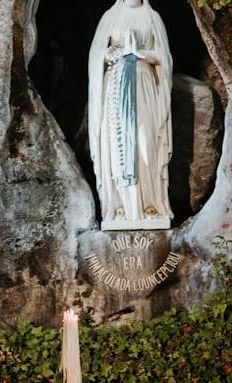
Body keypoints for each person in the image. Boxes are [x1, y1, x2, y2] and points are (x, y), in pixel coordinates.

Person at [88, 0, 174, 230]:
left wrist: (140, 53)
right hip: (116, 87)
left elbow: (163, 57)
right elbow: (97, 55)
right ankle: (123, 209)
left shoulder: (152, 17)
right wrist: (115, 53)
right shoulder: (110, 16)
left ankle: (149, 206)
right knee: (117, 149)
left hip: (143, 86)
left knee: (144, 142)